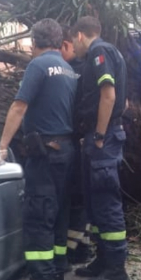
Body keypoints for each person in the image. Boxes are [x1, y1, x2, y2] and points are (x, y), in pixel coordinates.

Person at [0, 19, 78, 280]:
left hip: (45, 153)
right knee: (58, 213)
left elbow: (19, 107)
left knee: (38, 214)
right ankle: (57, 272)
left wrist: (2, 148)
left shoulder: (38, 66)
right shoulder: (67, 68)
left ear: (33, 43)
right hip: (65, 151)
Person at [70, 16, 130, 280]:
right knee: (95, 202)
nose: (74, 48)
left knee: (106, 203)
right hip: (103, 136)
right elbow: (124, 102)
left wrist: (100, 134)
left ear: (80, 35)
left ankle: (116, 271)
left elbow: (110, 96)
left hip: (102, 140)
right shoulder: (112, 52)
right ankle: (103, 260)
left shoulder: (99, 52)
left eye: (73, 42)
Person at [60, 26, 92, 266]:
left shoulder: (79, 69)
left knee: (77, 196)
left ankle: (74, 248)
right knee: (80, 195)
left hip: (79, 139)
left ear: (66, 45)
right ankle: (82, 247)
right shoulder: (76, 68)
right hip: (80, 138)